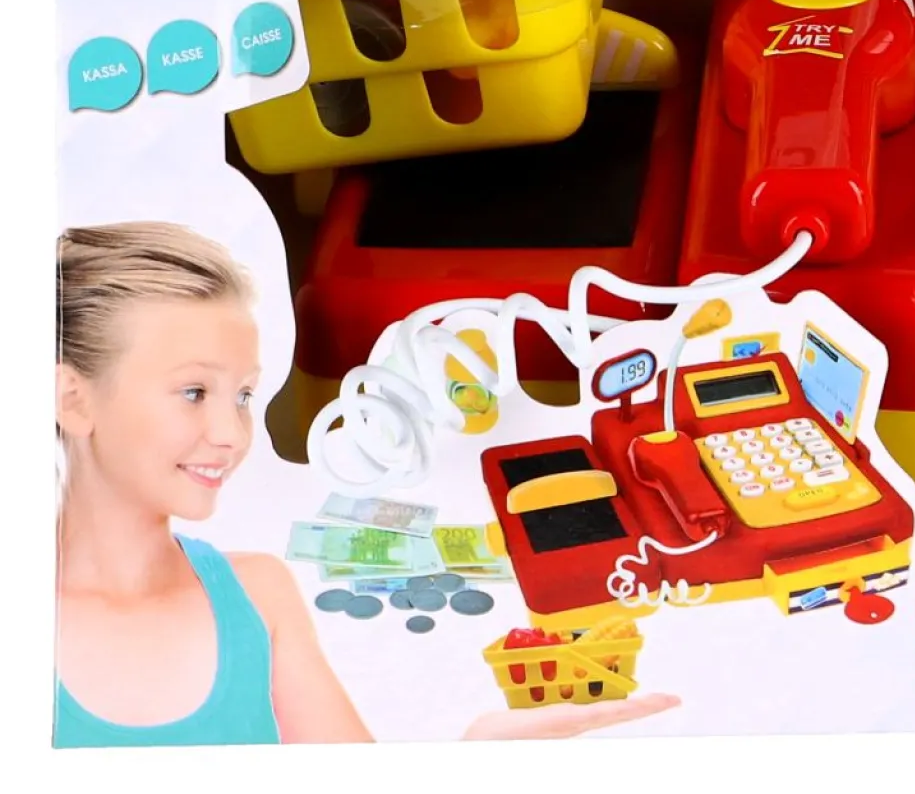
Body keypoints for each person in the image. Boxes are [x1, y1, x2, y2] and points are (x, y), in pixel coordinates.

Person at [55, 221, 675, 745]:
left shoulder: (259, 594)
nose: (233, 435)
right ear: (72, 399)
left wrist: (476, 756)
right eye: (194, 392)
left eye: (242, 395)